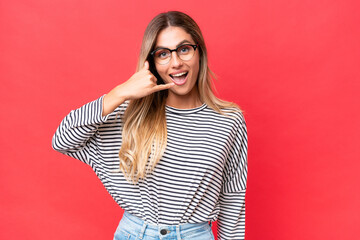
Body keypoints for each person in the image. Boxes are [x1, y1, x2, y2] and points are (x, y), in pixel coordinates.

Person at [52, 11, 248, 240]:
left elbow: (233, 198)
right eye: (163, 54)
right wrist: (120, 92)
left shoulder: (229, 120)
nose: (176, 62)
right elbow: (62, 139)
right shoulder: (132, 115)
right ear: (152, 63)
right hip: (134, 234)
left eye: (184, 49)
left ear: (199, 52)